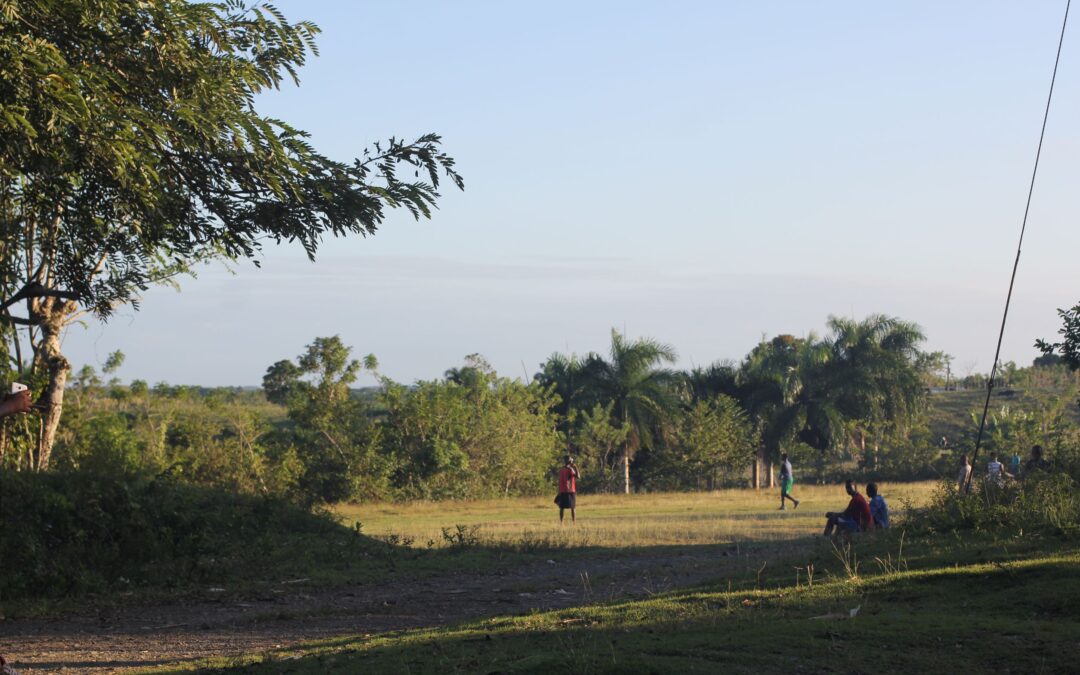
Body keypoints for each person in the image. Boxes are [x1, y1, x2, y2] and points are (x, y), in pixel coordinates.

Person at [555, 455, 578, 524]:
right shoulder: (570, 469)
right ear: (570, 461)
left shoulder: (561, 469)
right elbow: (578, 476)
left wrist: (559, 490)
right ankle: (574, 522)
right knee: (573, 507)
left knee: (562, 507)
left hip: (562, 490)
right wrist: (575, 467)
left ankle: (561, 522)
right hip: (570, 490)